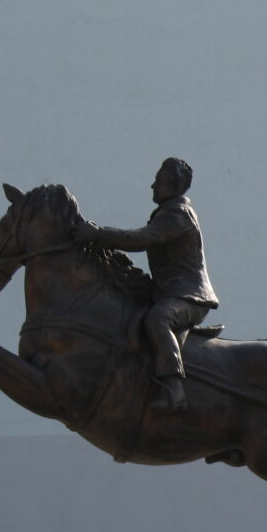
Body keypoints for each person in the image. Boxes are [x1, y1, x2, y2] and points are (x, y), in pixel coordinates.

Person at [73, 157, 219, 411]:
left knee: (158, 319)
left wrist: (98, 234)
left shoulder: (177, 214)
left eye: (159, 180)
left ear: (175, 186)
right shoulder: (166, 213)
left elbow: (141, 239)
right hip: (167, 292)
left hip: (189, 297)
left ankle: (174, 389)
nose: (153, 186)